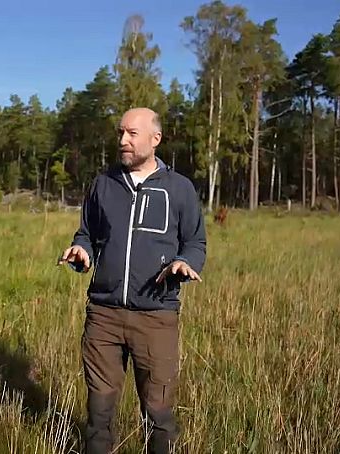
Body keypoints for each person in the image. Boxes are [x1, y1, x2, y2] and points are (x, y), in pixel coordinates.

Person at [59, 108, 207, 453]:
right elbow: (88, 233)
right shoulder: (103, 184)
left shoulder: (179, 189)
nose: (123, 141)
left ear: (155, 139)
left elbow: (195, 241)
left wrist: (184, 262)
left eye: (132, 134)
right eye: (120, 133)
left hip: (156, 318)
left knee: (158, 414)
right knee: (98, 415)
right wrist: (82, 251)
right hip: (103, 318)